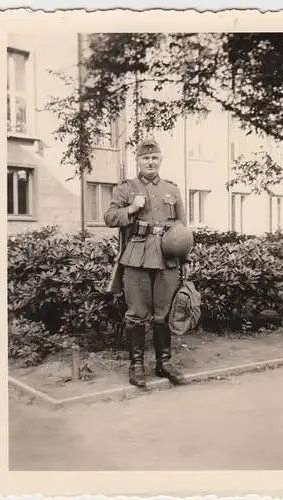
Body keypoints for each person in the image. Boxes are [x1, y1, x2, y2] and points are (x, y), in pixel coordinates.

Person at [104, 139, 192, 388]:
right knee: (136, 315)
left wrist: (186, 258)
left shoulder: (172, 189)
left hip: (168, 258)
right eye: (145, 159)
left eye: (154, 158)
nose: (150, 162)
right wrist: (131, 208)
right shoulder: (126, 188)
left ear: (160, 160)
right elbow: (110, 218)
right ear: (138, 162)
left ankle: (164, 364)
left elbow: (182, 228)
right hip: (136, 258)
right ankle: (137, 366)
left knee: (164, 314)